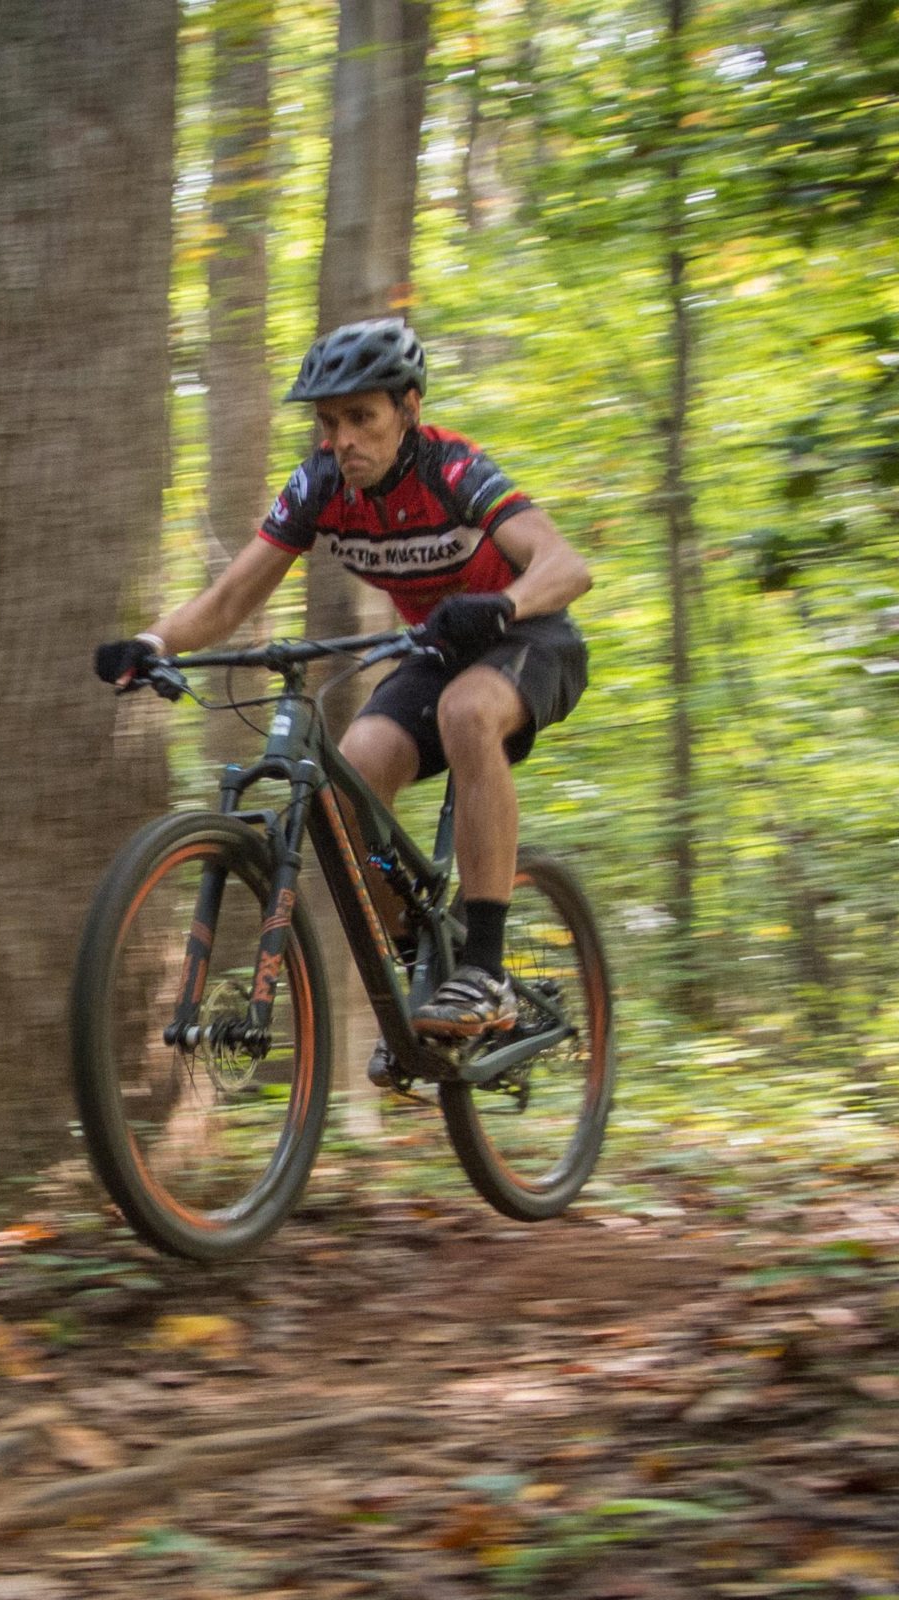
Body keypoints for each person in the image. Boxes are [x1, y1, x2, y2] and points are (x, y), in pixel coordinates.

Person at [93, 318, 592, 1054]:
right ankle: (432, 962)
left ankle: (482, 966)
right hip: (436, 647)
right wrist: (154, 642)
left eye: (363, 418)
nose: (343, 439)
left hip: (528, 635)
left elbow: (566, 565)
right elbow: (232, 599)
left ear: (408, 410)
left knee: (466, 710)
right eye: (330, 422)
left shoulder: (451, 470)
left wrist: (506, 603)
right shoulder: (321, 484)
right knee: (351, 774)